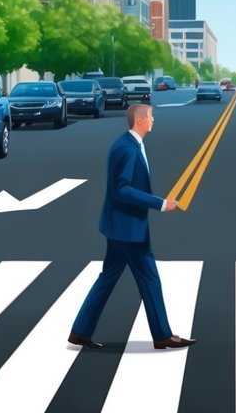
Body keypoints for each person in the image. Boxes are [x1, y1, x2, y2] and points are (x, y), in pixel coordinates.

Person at [69, 104, 195, 351]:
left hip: (121, 226)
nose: (153, 120)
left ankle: (80, 330)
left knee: (108, 278)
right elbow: (122, 189)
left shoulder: (130, 144)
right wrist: (160, 204)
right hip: (128, 229)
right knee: (149, 278)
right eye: (150, 117)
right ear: (140, 120)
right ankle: (162, 335)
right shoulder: (127, 149)